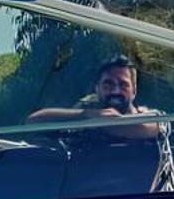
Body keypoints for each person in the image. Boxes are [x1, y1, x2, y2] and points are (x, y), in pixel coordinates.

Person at [28, 54, 164, 140]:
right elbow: (33, 121)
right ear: (97, 89)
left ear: (134, 90)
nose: (116, 91)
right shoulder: (86, 118)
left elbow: (145, 128)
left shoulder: (154, 117)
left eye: (123, 85)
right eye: (108, 84)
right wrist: (87, 115)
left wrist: (99, 123)